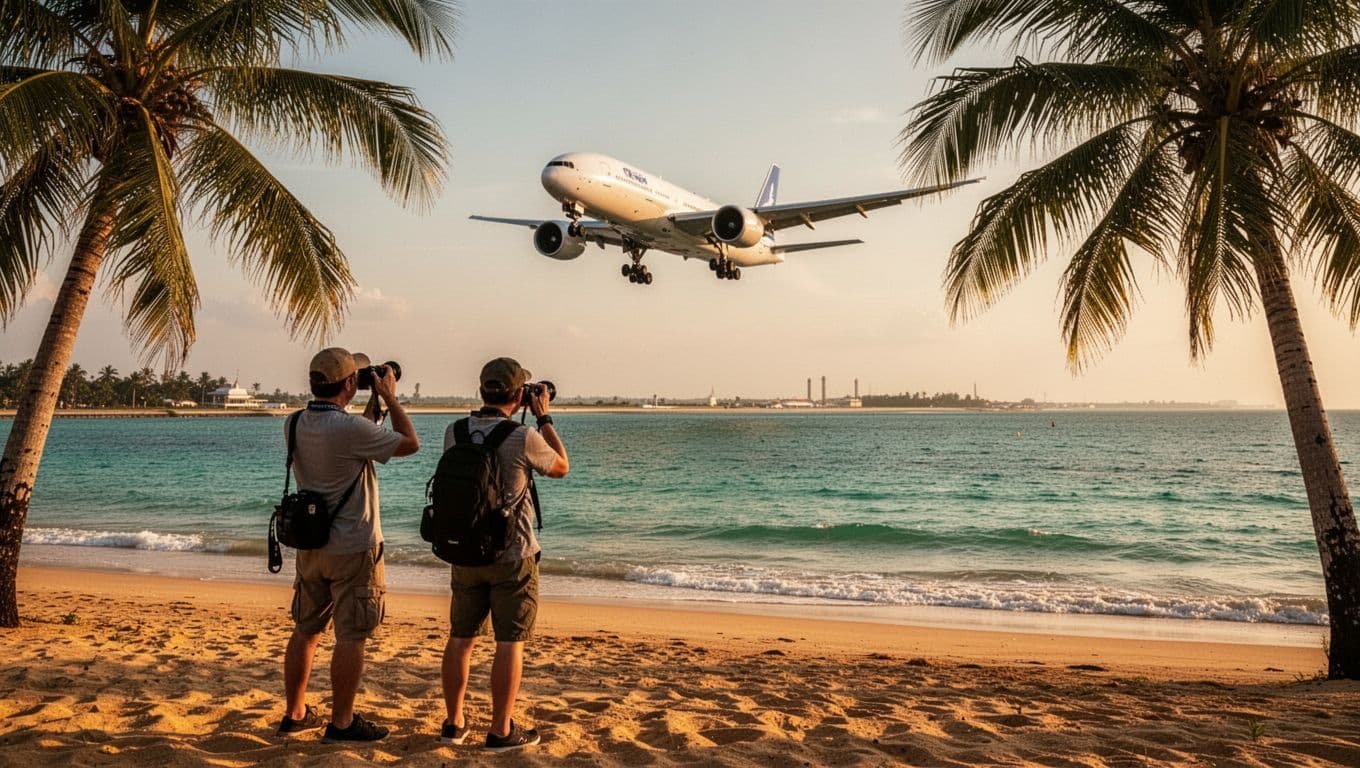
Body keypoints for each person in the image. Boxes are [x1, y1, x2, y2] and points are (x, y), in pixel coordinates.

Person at [276, 347, 420, 742]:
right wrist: (389, 395)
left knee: (305, 630)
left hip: (311, 545)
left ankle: (295, 713)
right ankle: (341, 722)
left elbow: (353, 439)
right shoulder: (352, 430)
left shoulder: (293, 423)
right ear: (349, 384)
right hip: (354, 546)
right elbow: (410, 443)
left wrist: (372, 405)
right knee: (351, 636)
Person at [439, 357, 569, 752]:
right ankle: (500, 730)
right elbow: (561, 466)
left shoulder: (455, 431)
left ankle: (454, 722)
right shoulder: (522, 436)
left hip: (465, 551)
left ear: (482, 390)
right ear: (519, 395)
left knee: (461, 638)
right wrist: (544, 417)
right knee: (509, 641)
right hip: (513, 553)